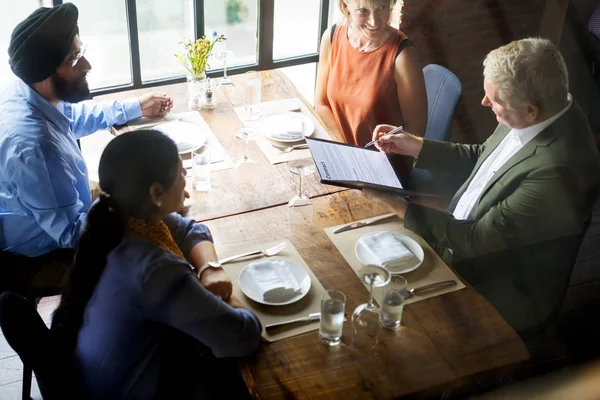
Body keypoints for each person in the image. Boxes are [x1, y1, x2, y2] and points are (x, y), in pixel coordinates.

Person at [365, 38, 600, 339]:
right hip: (460, 234)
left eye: (495, 100)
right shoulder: (542, 103)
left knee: (388, 317)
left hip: (496, 284)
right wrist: (415, 145)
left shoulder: (559, 170)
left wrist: (396, 203)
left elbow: (477, 239)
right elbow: (484, 158)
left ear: (530, 111)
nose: (484, 103)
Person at [51, 130, 261, 399]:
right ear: (156, 191)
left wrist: (210, 269)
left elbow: (189, 230)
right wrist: (230, 300)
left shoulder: (111, 216)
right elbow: (241, 337)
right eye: (181, 172)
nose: (186, 180)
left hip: (93, 376)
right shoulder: (157, 272)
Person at [0, 3, 173, 295]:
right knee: (155, 258)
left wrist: (134, 107)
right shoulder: (36, 149)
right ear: (44, 73)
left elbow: (70, 118)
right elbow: (73, 234)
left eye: (81, 51)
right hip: (42, 255)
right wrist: (135, 207)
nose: (87, 64)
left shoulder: (28, 89)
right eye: (75, 58)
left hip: (63, 214)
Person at [314, 0, 427, 148]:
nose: (374, 22)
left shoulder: (402, 55)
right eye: (363, 11)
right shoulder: (332, 37)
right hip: (341, 148)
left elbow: (416, 131)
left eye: (381, 8)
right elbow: (321, 104)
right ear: (346, 4)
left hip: (384, 160)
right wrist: (345, 148)